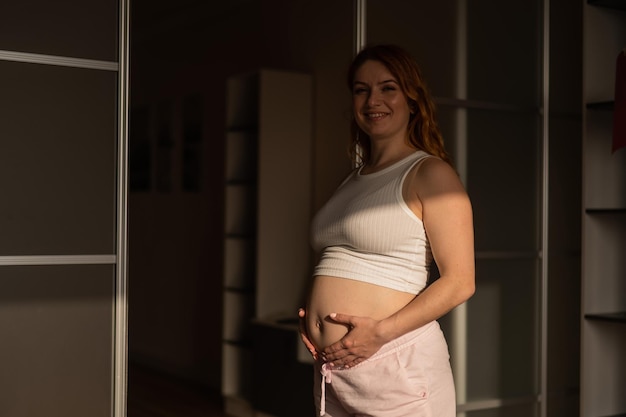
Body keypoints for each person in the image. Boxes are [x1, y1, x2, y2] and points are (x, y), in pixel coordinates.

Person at [298, 44, 475, 417]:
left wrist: (376, 334)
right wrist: (313, 324)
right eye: (362, 89)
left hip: (396, 365)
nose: (372, 99)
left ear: (413, 99)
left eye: (387, 87)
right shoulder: (352, 180)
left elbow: (460, 282)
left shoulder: (430, 173)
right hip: (335, 370)